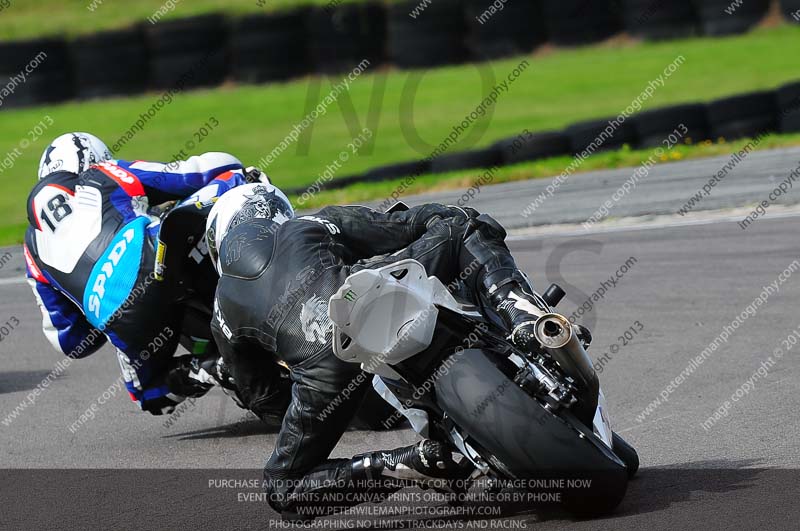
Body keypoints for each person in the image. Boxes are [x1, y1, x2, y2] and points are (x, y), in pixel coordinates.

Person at [206, 183, 591, 518]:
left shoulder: (221, 309)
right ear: (274, 213)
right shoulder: (307, 224)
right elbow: (402, 225)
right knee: (463, 226)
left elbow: (260, 396)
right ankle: (522, 317)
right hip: (366, 295)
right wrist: (442, 216)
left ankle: (402, 462)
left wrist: (321, 400)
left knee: (283, 489)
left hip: (326, 368)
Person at [25, 131, 252, 415]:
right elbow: (198, 172)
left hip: (119, 319)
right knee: (239, 178)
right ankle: (275, 268)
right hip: (152, 259)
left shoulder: (30, 249)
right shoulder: (105, 172)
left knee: (149, 393)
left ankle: (207, 368)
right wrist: (234, 170)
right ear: (92, 160)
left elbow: (69, 341)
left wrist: (94, 297)